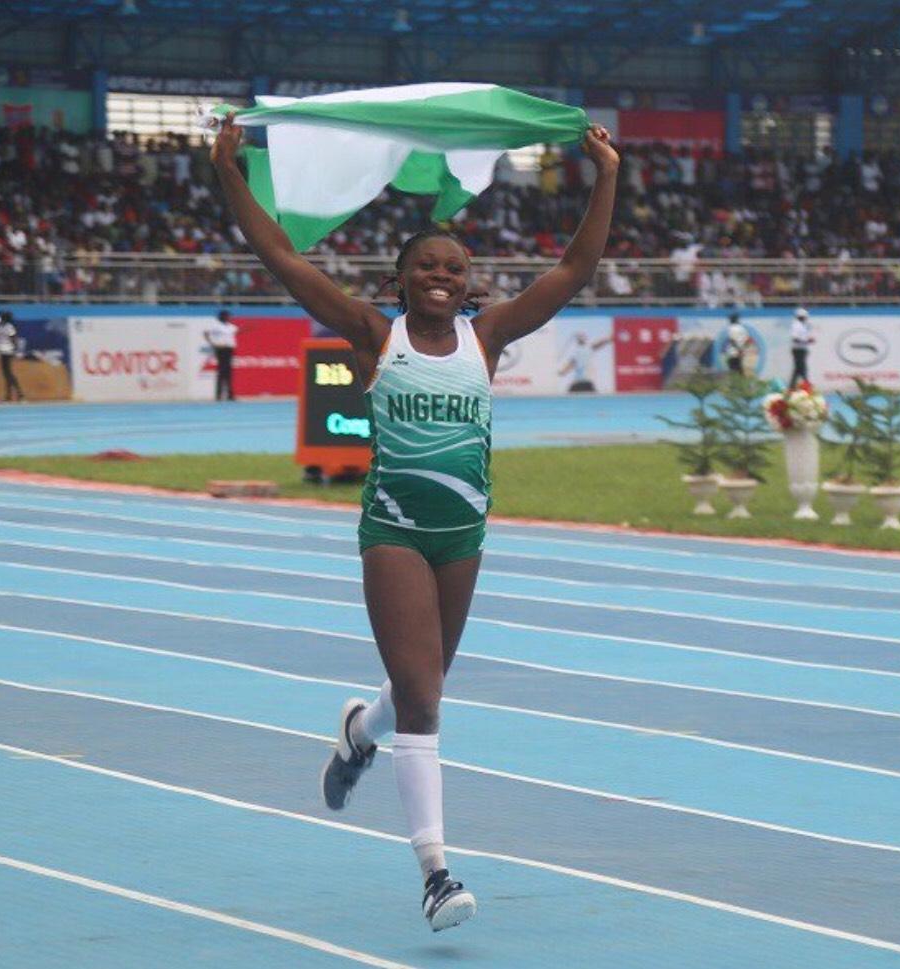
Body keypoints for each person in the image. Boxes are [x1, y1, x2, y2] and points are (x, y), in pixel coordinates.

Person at [212, 113, 618, 932]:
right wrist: (229, 170)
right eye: (426, 265)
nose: (441, 275)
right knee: (428, 702)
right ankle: (435, 872)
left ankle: (360, 730)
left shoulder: (487, 334)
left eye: (454, 267)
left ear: (471, 285)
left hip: (463, 537)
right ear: (401, 281)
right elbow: (283, 257)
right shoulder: (374, 332)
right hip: (394, 530)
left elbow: (576, 266)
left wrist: (606, 173)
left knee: (412, 691)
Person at [205, 309, 238, 401]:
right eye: (227, 316)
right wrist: (213, 343)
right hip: (221, 349)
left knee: (228, 373)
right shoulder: (216, 326)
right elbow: (206, 333)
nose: (229, 318)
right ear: (222, 317)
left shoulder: (231, 327)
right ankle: (219, 395)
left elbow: (237, 331)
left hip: (229, 349)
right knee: (221, 372)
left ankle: (230, 395)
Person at [0, 311, 24, 402]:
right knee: (6, 374)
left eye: (0, 317)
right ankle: (9, 395)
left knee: (9, 373)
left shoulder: (9, 327)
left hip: (8, 350)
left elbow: (14, 338)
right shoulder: (0, 327)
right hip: (2, 350)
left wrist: (15, 349)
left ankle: (19, 394)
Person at [789, 307, 814, 388]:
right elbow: (795, 339)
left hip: (802, 349)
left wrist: (807, 341)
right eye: (805, 316)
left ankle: (792, 386)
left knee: (798, 369)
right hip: (798, 350)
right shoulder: (796, 325)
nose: (806, 318)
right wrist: (806, 341)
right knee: (802, 369)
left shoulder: (802, 325)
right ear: (801, 316)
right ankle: (807, 385)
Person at [723, 311, 750, 375]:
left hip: (733, 352)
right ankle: (742, 382)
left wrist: (739, 349)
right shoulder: (742, 328)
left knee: (733, 369)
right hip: (740, 352)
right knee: (739, 368)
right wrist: (743, 349)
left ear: (732, 320)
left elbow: (732, 340)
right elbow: (748, 340)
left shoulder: (732, 328)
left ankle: (736, 383)